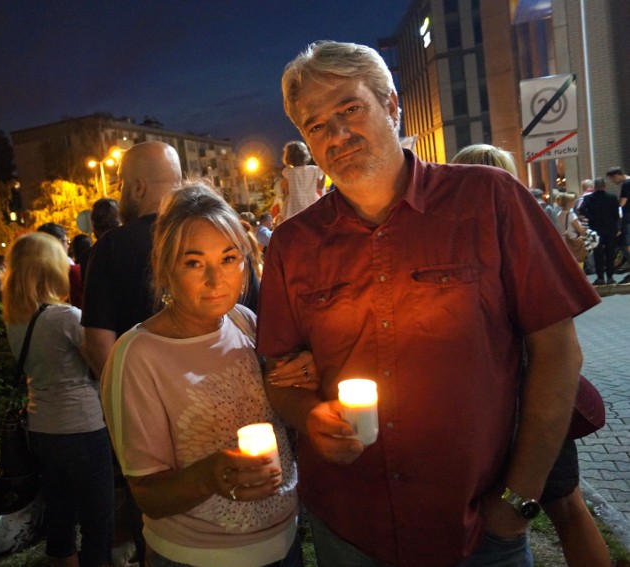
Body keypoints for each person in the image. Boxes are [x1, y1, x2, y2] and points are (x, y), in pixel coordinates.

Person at [258, 41, 601, 567]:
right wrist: (311, 415)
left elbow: (558, 353)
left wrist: (517, 500)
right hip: (351, 526)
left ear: (391, 105)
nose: (337, 135)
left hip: (477, 527)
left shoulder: (489, 200)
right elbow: (279, 377)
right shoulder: (292, 244)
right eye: (316, 125)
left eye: (350, 109)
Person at [101, 182, 314, 567]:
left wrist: (297, 377)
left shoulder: (246, 322)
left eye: (229, 259)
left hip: (284, 544)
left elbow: (276, 418)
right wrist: (211, 476)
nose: (217, 281)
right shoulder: (137, 357)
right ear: (165, 268)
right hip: (198, 557)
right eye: (194, 263)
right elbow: (147, 494)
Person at [451, 145, 610, 567]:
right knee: (568, 508)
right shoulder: (523, 232)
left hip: (521, 398)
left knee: (564, 505)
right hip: (538, 397)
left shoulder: (463, 245)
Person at [2, 232, 114, 567]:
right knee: (98, 520)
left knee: (60, 515)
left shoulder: (15, 320)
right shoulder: (65, 317)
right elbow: (101, 365)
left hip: (41, 428)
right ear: (49, 268)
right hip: (82, 426)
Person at [82, 141, 184, 378]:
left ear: (138, 189)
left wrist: (124, 399)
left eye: (121, 184)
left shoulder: (111, 247)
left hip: (147, 393)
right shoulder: (219, 237)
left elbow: (98, 343)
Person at [580, 177, 620, 286]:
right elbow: (616, 214)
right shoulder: (612, 197)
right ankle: (610, 277)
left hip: (595, 228)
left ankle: (600, 277)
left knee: (598, 253)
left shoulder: (589, 198)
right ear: (605, 186)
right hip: (610, 228)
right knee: (610, 253)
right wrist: (615, 224)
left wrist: (591, 218)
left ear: (595, 187)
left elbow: (582, 209)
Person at [37, 223, 84, 308]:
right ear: (58, 243)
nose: (68, 246)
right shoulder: (72, 271)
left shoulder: (30, 275)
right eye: (66, 241)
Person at [279, 140, 325, 221]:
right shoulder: (313, 170)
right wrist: (324, 173)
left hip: (294, 203)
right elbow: (320, 187)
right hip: (312, 202)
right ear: (305, 154)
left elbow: (284, 189)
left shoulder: (289, 172)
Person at [606, 166, 630, 281]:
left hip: (628, 218)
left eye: (612, 179)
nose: (613, 182)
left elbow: (622, 203)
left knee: (626, 245)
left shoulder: (626, 184)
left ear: (616, 176)